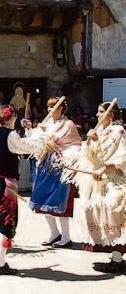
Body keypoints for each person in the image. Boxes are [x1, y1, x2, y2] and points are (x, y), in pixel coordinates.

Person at [61, 101, 126, 273]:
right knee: (96, 212)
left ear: (110, 115)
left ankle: (117, 257)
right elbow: (92, 154)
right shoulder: (100, 131)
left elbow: (120, 155)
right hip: (97, 180)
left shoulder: (119, 131)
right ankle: (115, 255)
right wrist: (91, 141)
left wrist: (104, 168)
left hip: (114, 179)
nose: (97, 115)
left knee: (112, 211)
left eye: (100, 112)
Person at [0, 105, 42, 275]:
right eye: (14, 116)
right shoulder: (9, 134)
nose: (16, 119)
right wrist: (37, 133)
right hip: (4, 184)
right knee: (7, 222)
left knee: (0, 220)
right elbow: (25, 147)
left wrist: (30, 131)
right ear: (8, 118)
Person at [27, 97, 81, 248]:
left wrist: (58, 151)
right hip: (45, 165)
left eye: (53, 107)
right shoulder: (46, 124)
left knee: (59, 201)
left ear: (61, 108)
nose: (50, 110)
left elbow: (75, 146)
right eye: (49, 107)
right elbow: (34, 141)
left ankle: (66, 236)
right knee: (42, 199)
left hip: (60, 166)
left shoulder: (69, 125)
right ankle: (54, 233)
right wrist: (30, 129)